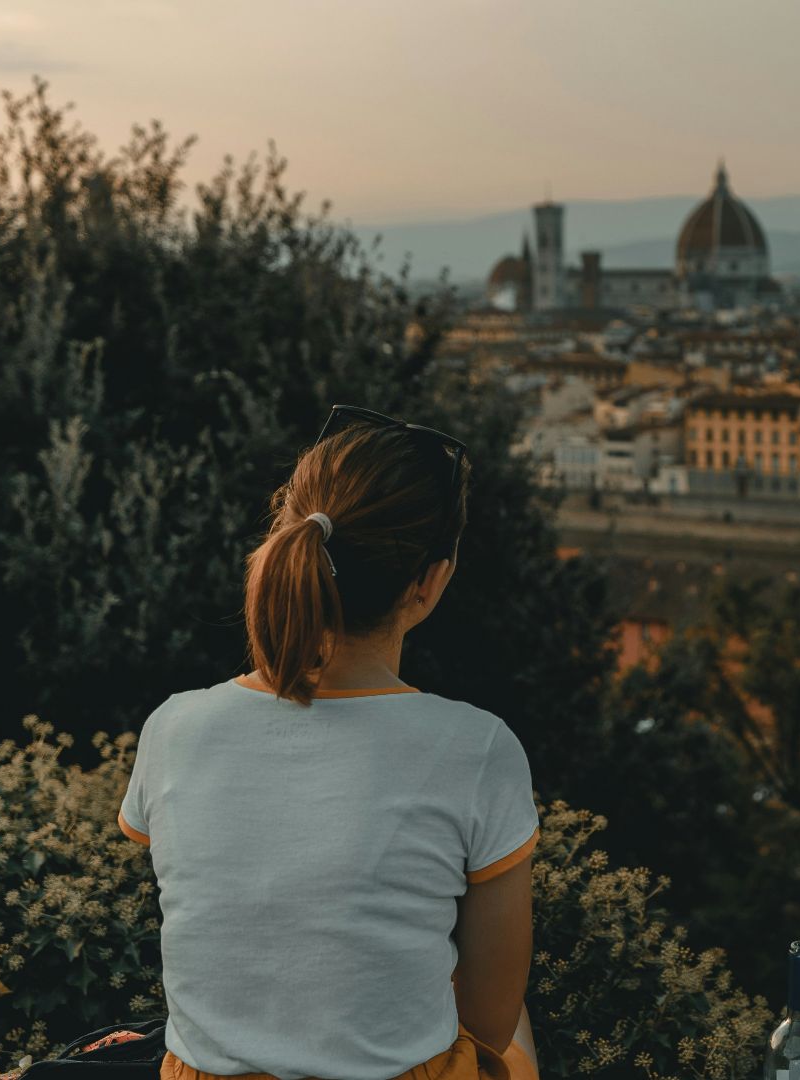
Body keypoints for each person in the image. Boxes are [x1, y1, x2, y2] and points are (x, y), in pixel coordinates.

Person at [116, 406, 541, 1080]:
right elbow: (486, 1021)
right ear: (429, 581)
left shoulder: (174, 727)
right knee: (516, 1038)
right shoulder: (478, 749)